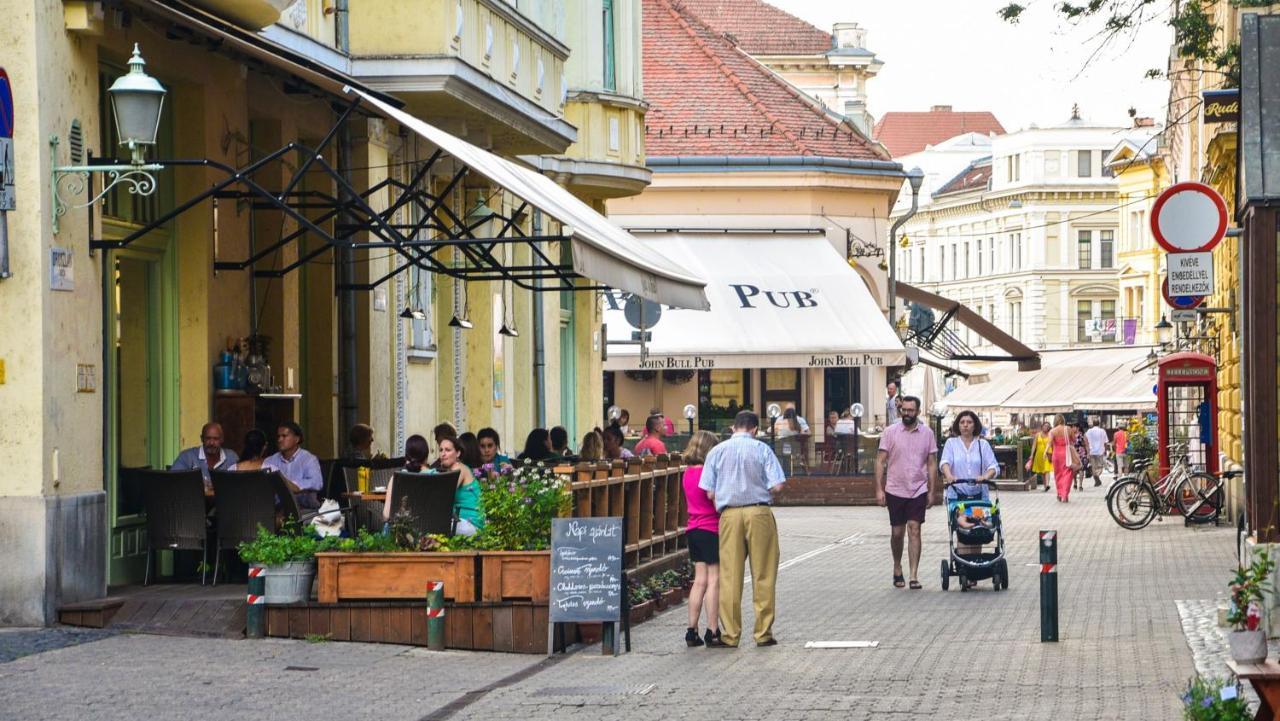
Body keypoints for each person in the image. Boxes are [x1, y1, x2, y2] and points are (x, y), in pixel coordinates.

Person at [698, 411, 786, 648]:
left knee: (729, 575)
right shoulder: (762, 449)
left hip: (729, 515)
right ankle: (763, 633)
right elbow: (777, 485)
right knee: (764, 574)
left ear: (733, 428)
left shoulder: (716, 452)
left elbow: (708, 491)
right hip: (759, 512)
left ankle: (730, 634)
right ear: (755, 429)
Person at [875, 396, 938, 590]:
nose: (907, 413)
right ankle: (897, 566)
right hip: (895, 488)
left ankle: (913, 575)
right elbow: (880, 460)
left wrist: (932, 491)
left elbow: (932, 463)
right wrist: (879, 488)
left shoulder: (927, 433)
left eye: (911, 410)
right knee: (897, 533)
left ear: (918, 412)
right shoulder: (890, 432)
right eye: (904, 410)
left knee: (914, 529)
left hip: (918, 488)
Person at [939, 411, 999, 584]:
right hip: (957, 495)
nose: (965, 425)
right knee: (962, 529)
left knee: (977, 529)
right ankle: (965, 567)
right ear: (958, 425)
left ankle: (974, 567)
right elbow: (945, 463)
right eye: (962, 422)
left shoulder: (983, 445)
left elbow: (993, 466)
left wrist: (985, 476)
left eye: (969, 422)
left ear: (975, 425)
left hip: (978, 495)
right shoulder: (951, 443)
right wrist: (949, 476)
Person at [682, 430, 722, 648]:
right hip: (710, 528)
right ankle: (713, 630)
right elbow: (713, 499)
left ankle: (691, 630)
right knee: (714, 580)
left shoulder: (687, 473)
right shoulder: (707, 473)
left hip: (693, 529)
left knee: (699, 581)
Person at [262, 422, 324, 510]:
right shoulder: (270, 461)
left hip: (305, 510)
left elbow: (317, 483)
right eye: (278, 436)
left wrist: (294, 485)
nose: (279, 440)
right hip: (277, 511)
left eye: (284, 436)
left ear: (297, 439)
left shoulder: (309, 459)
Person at [170, 422, 239, 484]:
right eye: (208, 438)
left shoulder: (231, 457)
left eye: (216, 439)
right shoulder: (187, 456)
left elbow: (238, 484)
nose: (211, 443)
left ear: (222, 439)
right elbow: (173, 480)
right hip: (195, 497)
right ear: (202, 439)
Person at [1049, 414, 1080, 503]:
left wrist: (1046, 452)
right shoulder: (1068, 429)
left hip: (1056, 455)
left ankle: (1059, 493)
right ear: (1063, 420)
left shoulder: (1053, 431)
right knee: (1067, 474)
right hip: (1066, 454)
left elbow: (1050, 443)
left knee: (1058, 475)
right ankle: (1065, 495)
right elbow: (1074, 440)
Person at [1026, 422, 1053, 492]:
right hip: (1039, 455)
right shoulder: (1038, 435)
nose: (1046, 427)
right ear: (1042, 426)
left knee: (1047, 470)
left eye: (1047, 426)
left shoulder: (1050, 435)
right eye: (1045, 426)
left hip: (1047, 454)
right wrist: (1032, 455)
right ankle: (1045, 486)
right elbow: (1034, 445)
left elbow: (1052, 445)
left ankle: (1047, 484)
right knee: (1042, 471)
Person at [1085, 419, 1109, 487]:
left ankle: (1096, 478)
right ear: (1099, 423)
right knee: (1100, 466)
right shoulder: (1102, 431)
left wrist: (1087, 451)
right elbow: (1106, 442)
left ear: (1093, 423)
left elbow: (1086, 440)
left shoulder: (1089, 431)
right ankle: (1097, 477)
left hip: (1091, 451)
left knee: (1093, 466)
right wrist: (1106, 450)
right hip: (1100, 451)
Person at [1072, 421, 1090, 492]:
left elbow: (1087, 445)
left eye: (1073, 427)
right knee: (1074, 470)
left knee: (1081, 469)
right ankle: (1075, 482)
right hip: (1074, 454)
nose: (1072, 428)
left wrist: (1088, 454)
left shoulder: (1083, 435)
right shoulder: (1071, 435)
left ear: (1077, 428)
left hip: (1082, 454)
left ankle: (1080, 485)